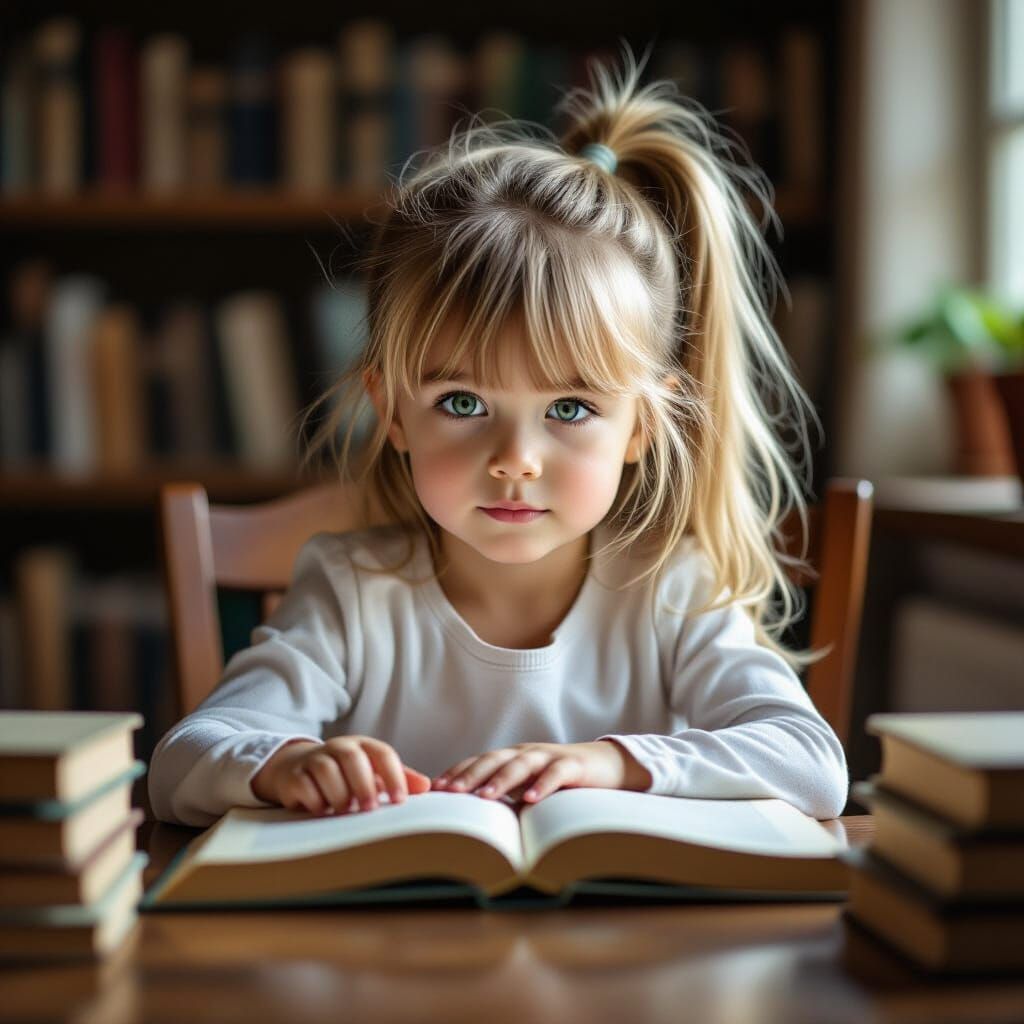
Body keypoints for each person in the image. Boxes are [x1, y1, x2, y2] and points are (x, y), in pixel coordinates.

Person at [149, 48, 848, 828]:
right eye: (463, 402)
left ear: (643, 426)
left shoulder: (671, 590)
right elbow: (181, 761)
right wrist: (280, 762)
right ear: (392, 412)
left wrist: (610, 762)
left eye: (570, 409)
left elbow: (812, 763)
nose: (515, 460)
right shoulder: (351, 590)